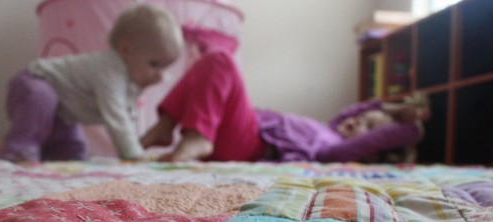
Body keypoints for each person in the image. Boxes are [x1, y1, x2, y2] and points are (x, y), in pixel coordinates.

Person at [141, 33, 429, 164]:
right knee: (208, 61)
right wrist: (385, 106)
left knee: (220, 59)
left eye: (367, 128)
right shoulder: (329, 128)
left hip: (249, 144)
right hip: (244, 130)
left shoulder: (334, 151)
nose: (357, 122)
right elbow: (354, 110)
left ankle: (198, 136)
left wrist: (410, 128)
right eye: (361, 119)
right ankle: (165, 126)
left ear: (367, 148)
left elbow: (380, 138)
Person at [0, 3, 183, 162]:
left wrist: (135, 145)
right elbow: (117, 117)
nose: (158, 75)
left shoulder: (129, 80)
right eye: (154, 65)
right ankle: (18, 149)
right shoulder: (110, 69)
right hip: (33, 83)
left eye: (164, 68)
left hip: (63, 111)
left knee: (73, 155)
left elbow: (128, 114)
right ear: (125, 49)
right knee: (41, 99)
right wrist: (133, 155)